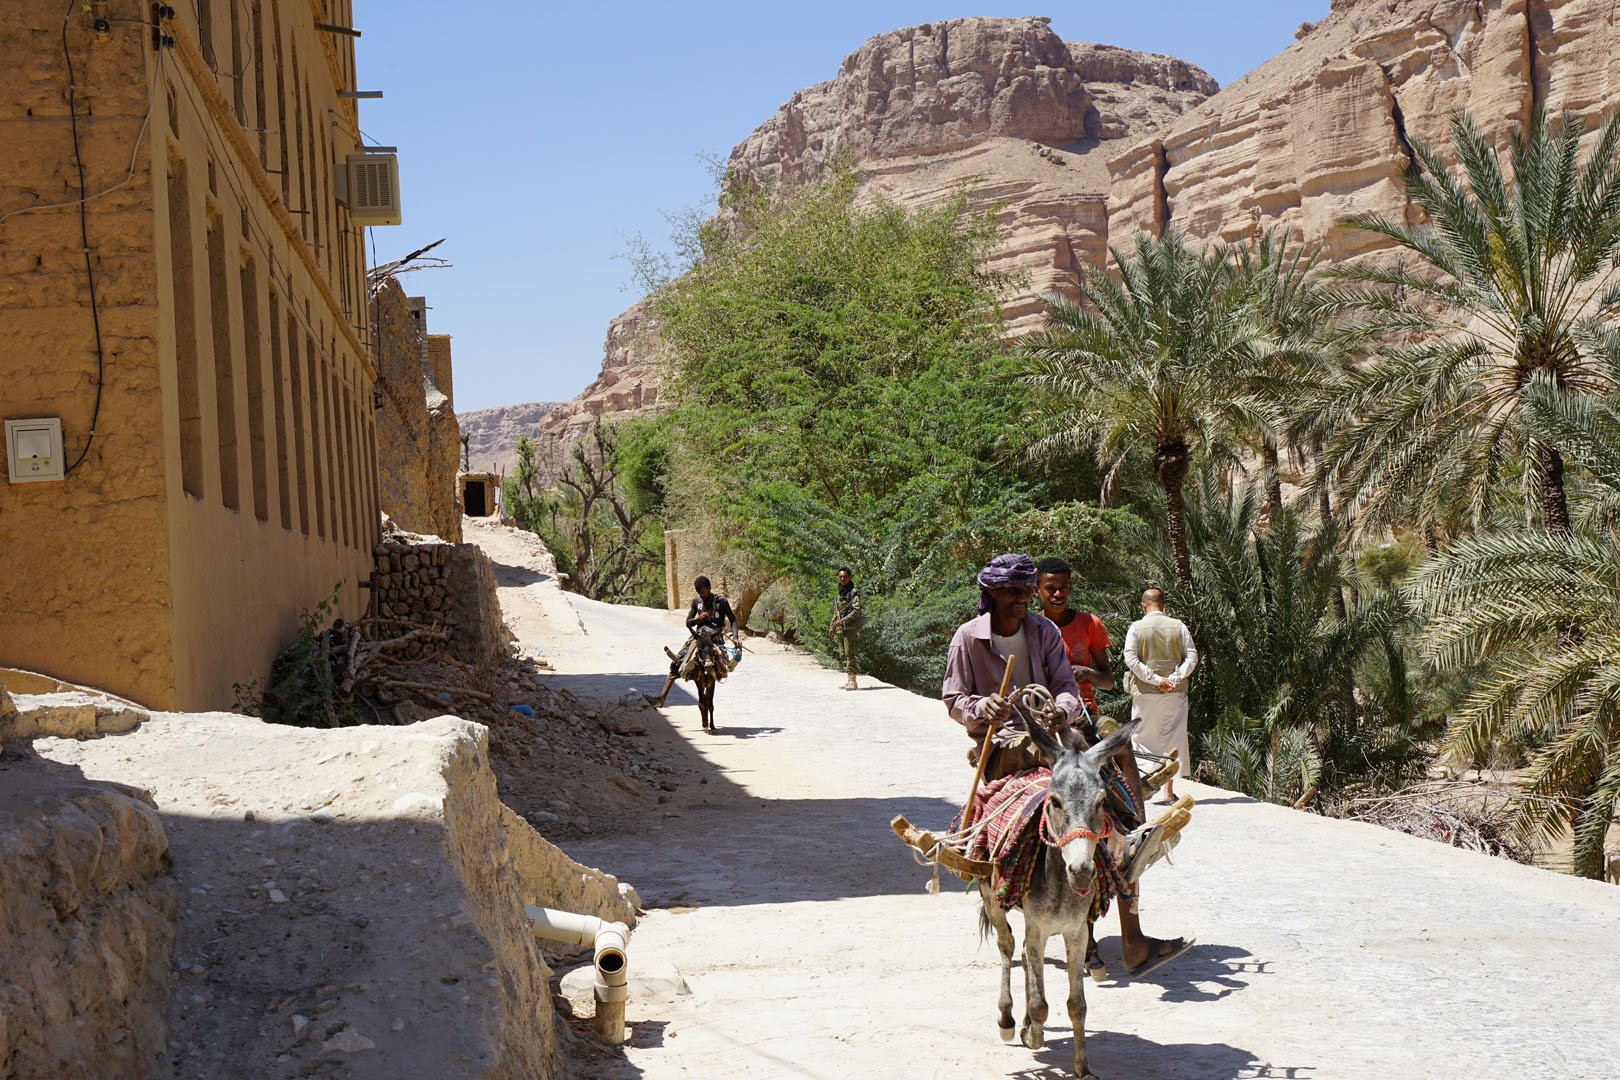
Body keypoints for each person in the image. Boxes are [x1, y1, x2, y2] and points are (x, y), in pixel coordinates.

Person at [1036, 557, 1192, 979]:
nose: (1057, 593)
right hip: (1047, 724)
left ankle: (1134, 820)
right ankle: (1124, 938)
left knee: (1120, 744)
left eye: (1063, 586)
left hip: (1085, 714)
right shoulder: (1032, 630)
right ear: (1038, 590)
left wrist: (1089, 673)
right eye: (1049, 587)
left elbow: (1108, 678)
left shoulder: (1089, 624)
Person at [942, 553, 1080, 782]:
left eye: (1026, 590)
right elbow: (953, 700)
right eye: (1013, 591)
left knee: (1112, 743)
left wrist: (1062, 710)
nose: (1022, 598)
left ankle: (1129, 816)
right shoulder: (967, 637)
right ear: (993, 592)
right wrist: (983, 706)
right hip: (1000, 743)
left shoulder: (1045, 631)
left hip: (1052, 733)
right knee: (1052, 752)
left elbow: (1065, 685)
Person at [1123, 587, 1198, 804]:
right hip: (1175, 693)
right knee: (1172, 737)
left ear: (1143, 605)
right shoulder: (1178, 626)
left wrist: (1155, 680)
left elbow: (1131, 659)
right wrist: (1173, 679)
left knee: (1141, 738)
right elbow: (1191, 657)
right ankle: (1167, 791)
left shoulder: (1136, 628)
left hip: (1145, 693)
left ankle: (1141, 789)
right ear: (1163, 605)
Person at [655, 575, 738, 707]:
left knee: (721, 661)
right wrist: (698, 619)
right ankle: (662, 698)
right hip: (697, 636)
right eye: (700, 593)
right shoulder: (696, 602)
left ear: (709, 588)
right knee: (676, 663)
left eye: (704, 593)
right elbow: (688, 623)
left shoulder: (721, 601)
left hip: (715, 635)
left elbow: (733, 620)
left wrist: (735, 637)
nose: (702, 596)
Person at [829, 566, 863, 691]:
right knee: (843, 653)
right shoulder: (841, 592)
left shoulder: (853, 592)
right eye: (840, 577)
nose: (842, 579)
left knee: (850, 653)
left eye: (845, 577)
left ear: (850, 577)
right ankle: (848, 679)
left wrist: (842, 621)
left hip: (850, 626)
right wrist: (832, 625)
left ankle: (852, 681)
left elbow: (856, 611)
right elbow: (837, 612)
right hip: (841, 627)